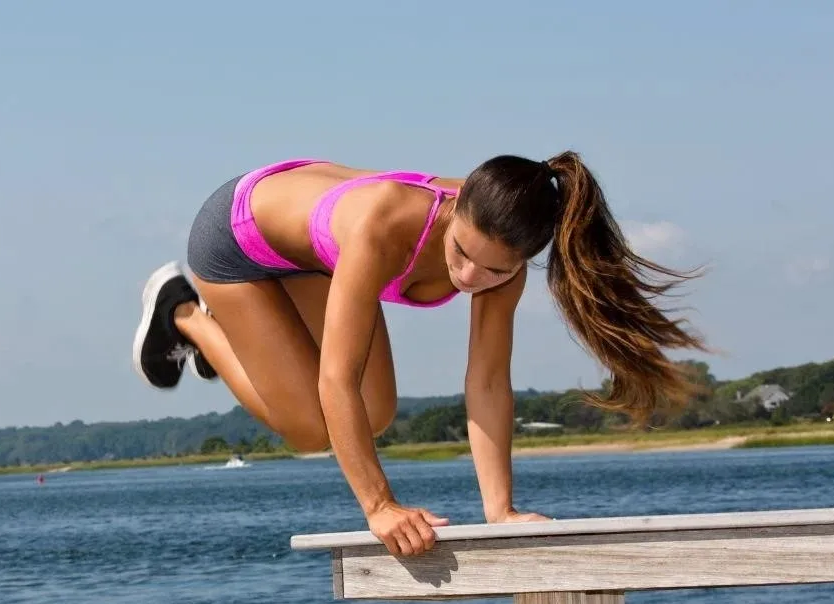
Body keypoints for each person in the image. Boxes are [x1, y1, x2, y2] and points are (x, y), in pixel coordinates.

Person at [131, 154, 706, 557]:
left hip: (311, 253)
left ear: (521, 260)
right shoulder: (386, 226)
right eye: (462, 254)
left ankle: (248, 345)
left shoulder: (503, 257)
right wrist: (380, 505)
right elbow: (336, 378)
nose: (471, 277)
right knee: (312, 428)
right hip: (237, 237)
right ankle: (184, 315)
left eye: (496, 270)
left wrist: (500, 509)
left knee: (376, 415)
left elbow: (486, 382)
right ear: (454, 212)